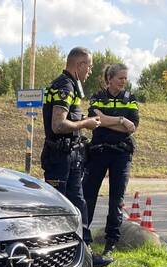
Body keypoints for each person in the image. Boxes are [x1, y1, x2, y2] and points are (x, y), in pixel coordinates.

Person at [40, 47, 101, 255]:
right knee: (58, 207)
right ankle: (55, 254)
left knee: (78, 203)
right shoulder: (64, 86)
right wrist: (86, 123)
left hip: (71, 155)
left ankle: (84, 253)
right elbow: (58, 125)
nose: (90, 71)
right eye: (89, 66)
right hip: (59, 157)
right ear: (80, 65)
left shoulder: (71, 85)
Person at [82, 63, 138, 267]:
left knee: (117, 200)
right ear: (110, 79)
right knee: (88, 196)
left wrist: (109, 121)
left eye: (126, 78)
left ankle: (111, 242)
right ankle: (84, 239)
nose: (124, 81)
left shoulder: (130, 99)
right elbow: (95, 120)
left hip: (121, 154)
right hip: (98, 152)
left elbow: (133, 127)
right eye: (121, 78)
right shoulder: (97, 97)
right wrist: (121, 120)